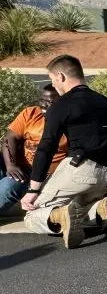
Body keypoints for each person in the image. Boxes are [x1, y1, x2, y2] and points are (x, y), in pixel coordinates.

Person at [20, 55, 107, 249]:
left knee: (33, 215)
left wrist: (33, 190)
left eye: (52, 79)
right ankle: (100, 209)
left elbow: (47, 146)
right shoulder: (106, 102)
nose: (53, 84)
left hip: (81, 168)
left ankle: (59, 215)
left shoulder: (61, 104)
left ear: (60, 76)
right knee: (78, 205)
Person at [1, 84, 69, 217]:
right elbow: (10, 138)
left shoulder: (69, 123)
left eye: (50, 101)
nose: (44, 105)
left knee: (7, 187)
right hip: (18, 166)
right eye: (42, 100)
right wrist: (11, 165)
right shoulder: (30, 113)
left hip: (38, 175)